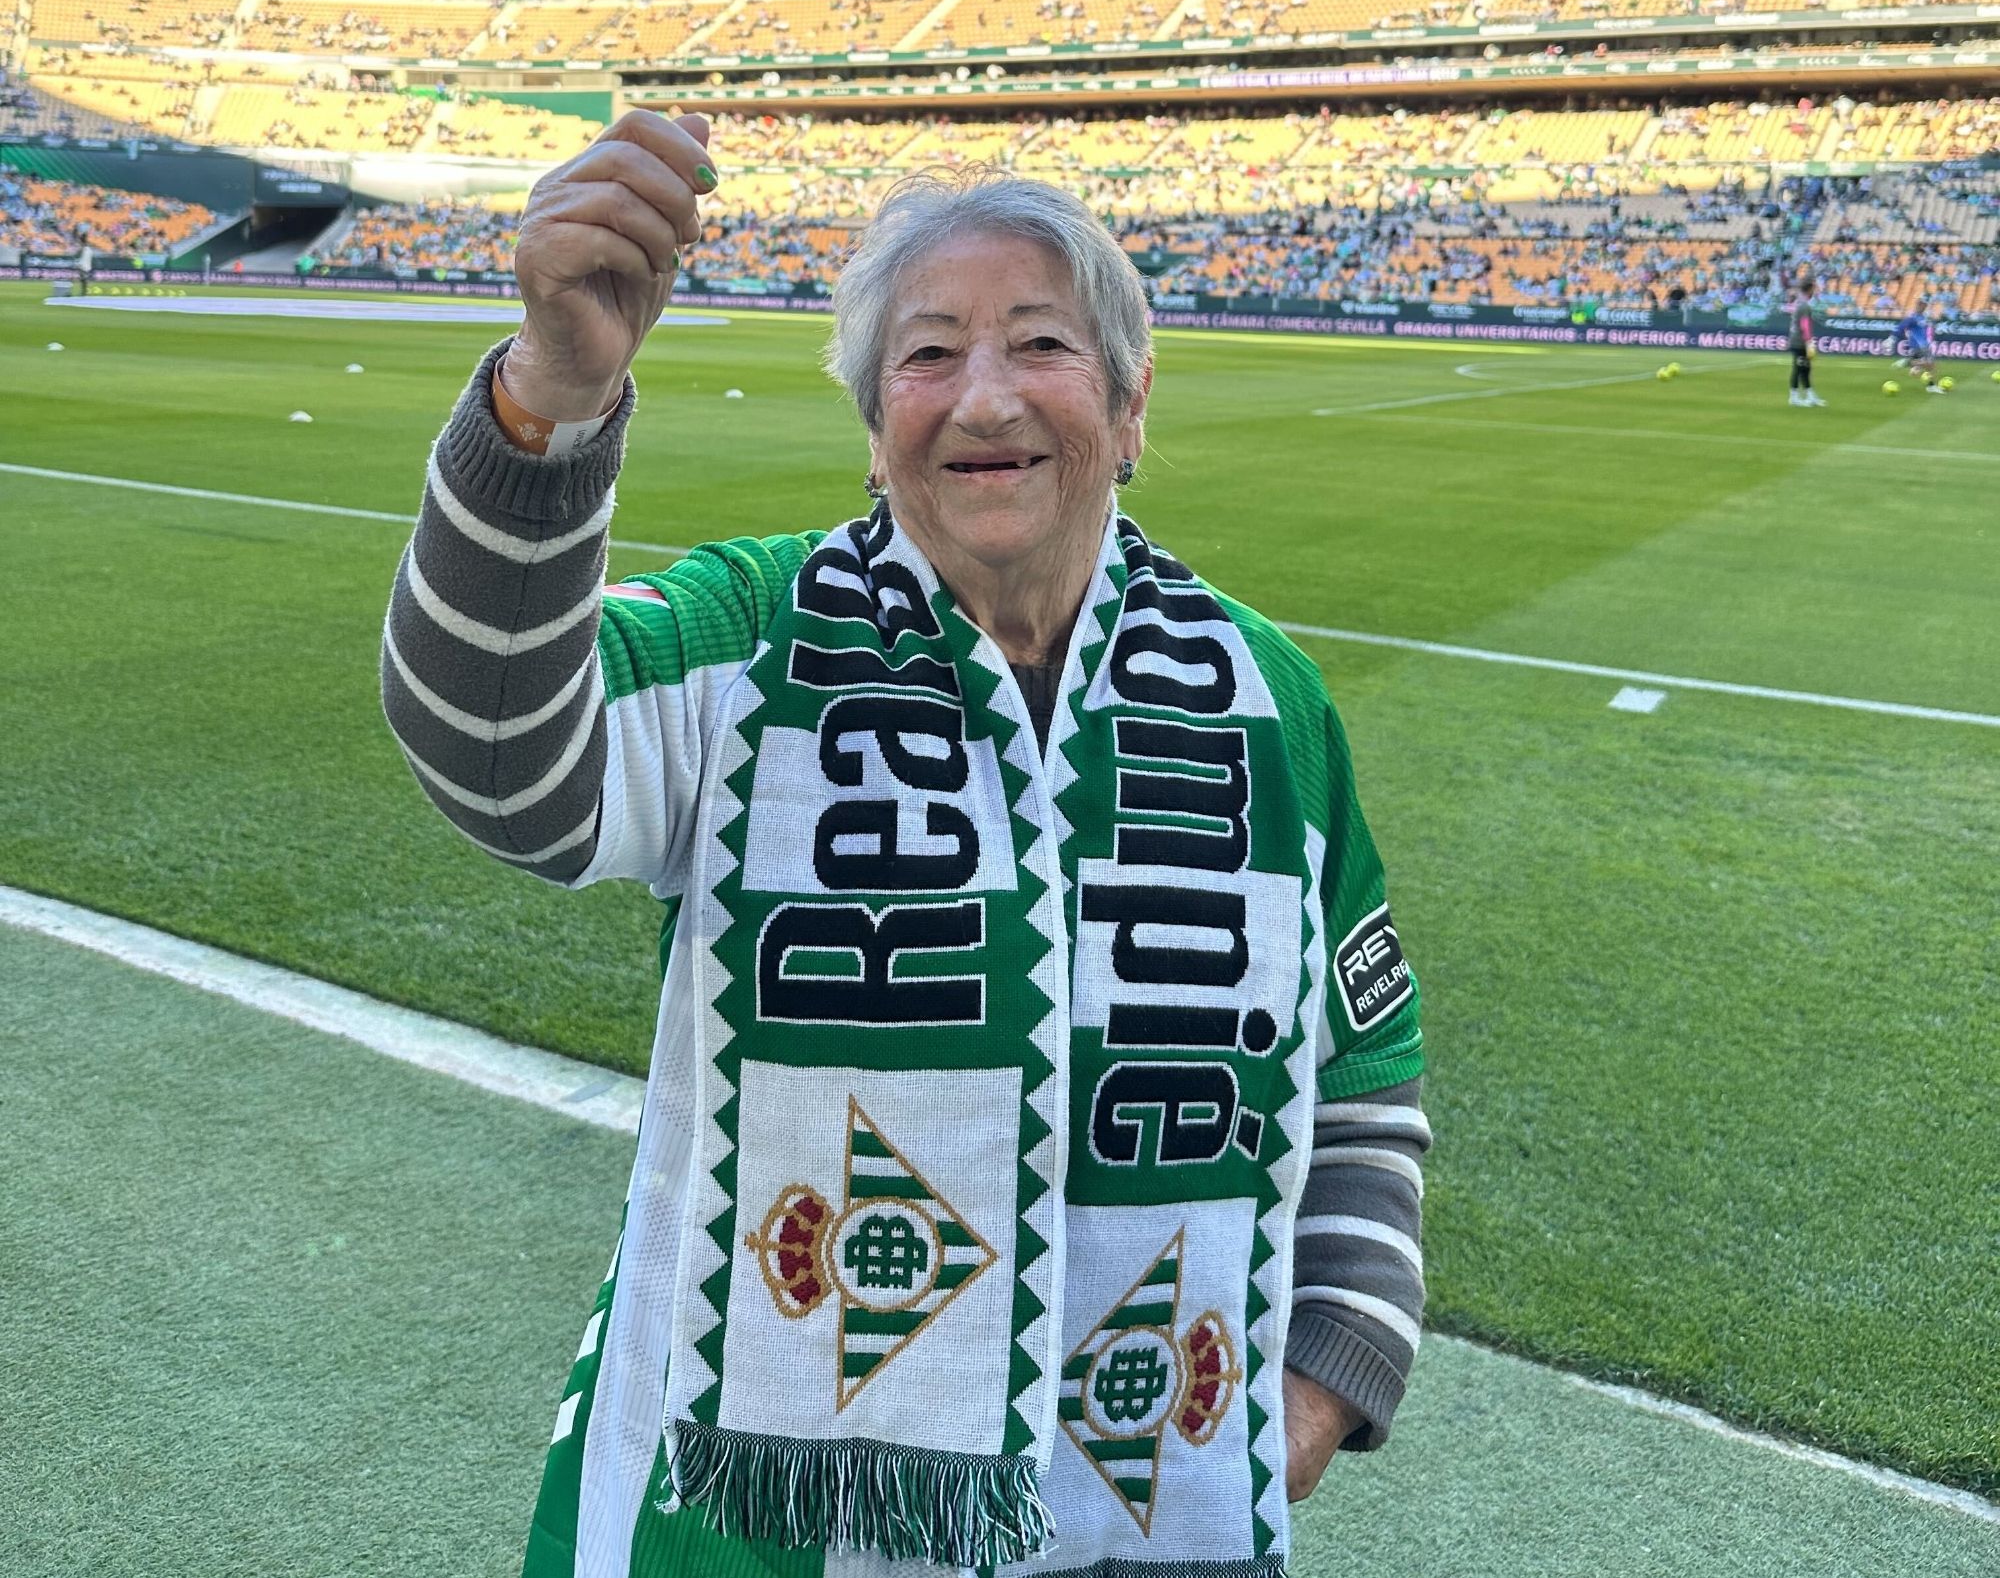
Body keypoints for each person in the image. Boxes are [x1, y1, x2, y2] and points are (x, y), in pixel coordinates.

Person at [382, 112, 1430, 1578]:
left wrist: (1329, 1368)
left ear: (1129, 409)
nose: (982, 396)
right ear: (877, 434)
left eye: (1043, 346)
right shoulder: (753, 638)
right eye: (927, 354)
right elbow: (499, 754)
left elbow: (1364, 1081)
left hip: (1143, 1523)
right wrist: (551, 396)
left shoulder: (1272, 704)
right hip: (748, 1533)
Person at [1788, 275, 1825, 407]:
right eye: (1814, 287)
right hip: (1799, 342)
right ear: (1810, 289)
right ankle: (1794, 397)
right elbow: (1805, 325)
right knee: (1799, 368)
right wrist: (1809, 342)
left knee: (1806, 369)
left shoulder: (1800, 303)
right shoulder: (1804, 306)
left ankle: (1810, 396)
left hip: (1797, 340)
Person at [1892, 300, 1943, 392]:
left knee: (1927, 367)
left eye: (1923, 305)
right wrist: (1893, 336)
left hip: (1920, 345)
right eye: (1921, 305)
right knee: (1931, 365)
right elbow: (1903, 325)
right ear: (1917, 306)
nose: (1922, 307)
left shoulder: (1922, 317)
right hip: (1920, 346)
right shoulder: (1914, 318)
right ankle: (1908, 363)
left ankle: (1911, 365)